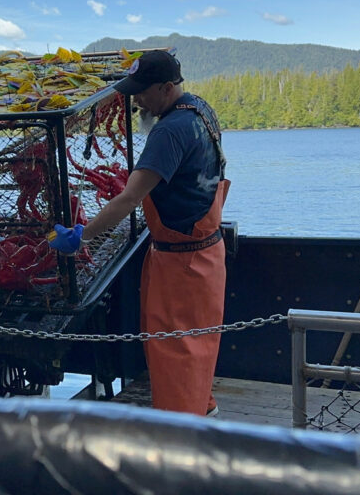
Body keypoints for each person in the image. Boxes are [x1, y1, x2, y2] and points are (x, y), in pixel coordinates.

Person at [49, 50, 229, 416]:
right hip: (206, 254)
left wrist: (80, 237)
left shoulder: (169, 131)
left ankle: (179, 441)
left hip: (183, 265)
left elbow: (129, 197)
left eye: (142, 91)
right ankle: (202, 409)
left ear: (166, 88)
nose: (135, 100)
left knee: (176, 350)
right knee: (197, 344)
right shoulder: (200, 110)